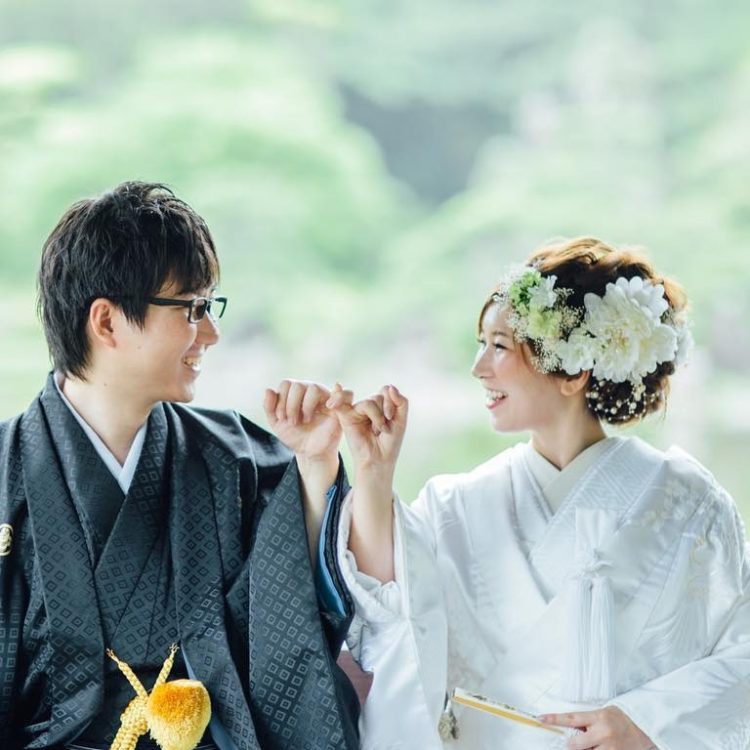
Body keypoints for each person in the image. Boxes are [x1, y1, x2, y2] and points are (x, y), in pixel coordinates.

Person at [329, 237, 750, 749]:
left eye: (499, 346)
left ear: (573, 372)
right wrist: (374, 472)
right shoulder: (457, 505)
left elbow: (742, 655)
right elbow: (390, 616)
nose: (478, 367)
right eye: (481, 344)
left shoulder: (688, 502)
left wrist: (646, 723)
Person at [0, 181, 359, 750]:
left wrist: (314, 468)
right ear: (107, 322)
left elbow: (287, 621)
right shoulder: (6, 473)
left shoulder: (235, 458)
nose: (210, 333)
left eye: (209, 308)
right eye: (192, 309)